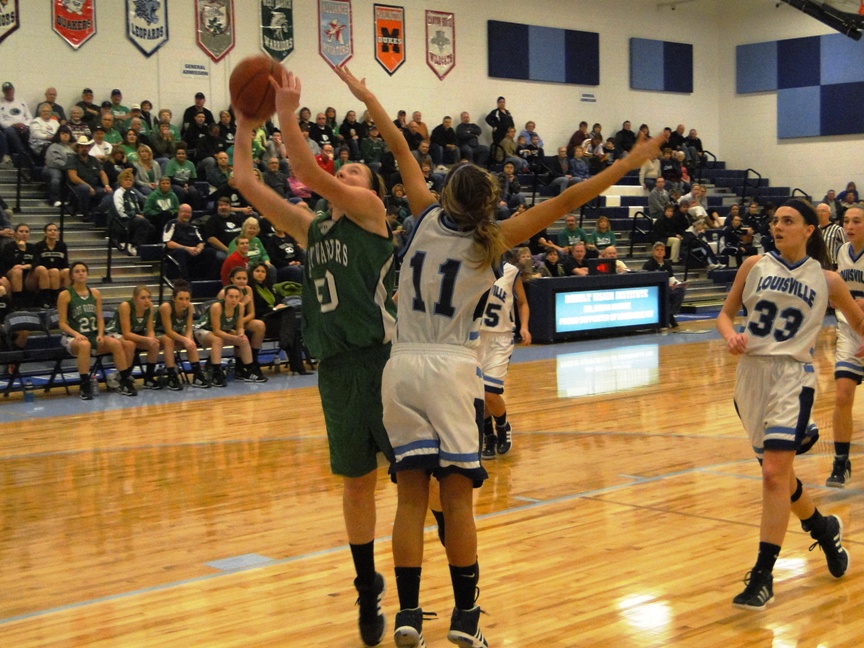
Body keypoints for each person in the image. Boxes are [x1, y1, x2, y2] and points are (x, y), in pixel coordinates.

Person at [331, 64, 664, 648]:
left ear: (445, 195)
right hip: (450, 367)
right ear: (488, 205)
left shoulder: (422, 215)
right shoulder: (494, 241)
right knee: (456, 500)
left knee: (410, 498)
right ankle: (465, 618)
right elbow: (571, 196)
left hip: (399, 366)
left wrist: (366, 94)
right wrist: (627, 163)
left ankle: (408, 615)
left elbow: (400, 146)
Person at [233, 71, 399, 648]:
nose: (345, 175)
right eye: (342, 171)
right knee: (357, 485)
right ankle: (366, 587)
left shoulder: (371, 213)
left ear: (368, 189)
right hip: (336, 371)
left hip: (385, 363)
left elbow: (306, 171)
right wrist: (245, 123)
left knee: (414, 480)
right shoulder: (311, 228)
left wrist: (287, 110)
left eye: (353, 172)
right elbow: (244, 181)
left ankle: (440, 582)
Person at [716, 199, 857, 610]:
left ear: (809, 230)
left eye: (788, 220)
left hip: (793, 377)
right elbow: (725, 315)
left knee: (773, 475)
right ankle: (823, 528)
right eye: (775, 220)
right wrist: (730, 335)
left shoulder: (827, 280)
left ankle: (763, 576)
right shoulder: (752, 266)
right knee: (780, 480)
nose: (777, 226)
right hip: (750, 378)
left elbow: (858, 320)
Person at [479, 249, 531, 459]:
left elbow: (522, 302)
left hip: (500, 338)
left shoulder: (510, 272)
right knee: (478, 394)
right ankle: (488, 436)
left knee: (489, 392)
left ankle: (502, 426)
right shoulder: (470, 268)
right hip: (474, 339)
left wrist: (524, 327)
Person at [57, 261, 137, 399]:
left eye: (83, 271)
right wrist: (76, 334)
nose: (81, 273)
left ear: (87, 274)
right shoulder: (65, 295)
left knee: (116, 343)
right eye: (77, 271)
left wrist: (100, 334)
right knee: (85, 345)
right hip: (72, 338)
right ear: (72, 276)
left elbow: (100, 318)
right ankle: (84, 384)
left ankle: (124, 380)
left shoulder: (95, 294)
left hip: (93, 334)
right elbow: (62, 323)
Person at [828, 205, 864, 487]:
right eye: (846, 221)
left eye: (857, 221)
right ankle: (841, 462)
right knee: (842, 396)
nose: (850, 226)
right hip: (851, 330)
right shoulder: (842, 252)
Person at [193, 285, 257, 387]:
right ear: (225, 297)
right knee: (217, 340)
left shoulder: (240, 307)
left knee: (244, 340)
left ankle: (250, 370)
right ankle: (216, 373)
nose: (234, 300)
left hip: (222, 331)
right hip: (202, 330)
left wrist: (240, 334)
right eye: (231, 297)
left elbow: (240, 326)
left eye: (236, 297)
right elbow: (217, 331)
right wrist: (233, 338)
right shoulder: (217, 307)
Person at [105, 286, 163, 390]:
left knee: (155, 345)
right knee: (130, 345)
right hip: (115, 332)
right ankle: (124, 377)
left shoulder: (150, 307)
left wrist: (151, 339)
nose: (147, 300)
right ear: (134, 298)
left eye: (149, 297)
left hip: (134, 334)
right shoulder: (126, 306)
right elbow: (126, 334)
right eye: (143, 298)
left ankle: (149, 378)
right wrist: (147, 339)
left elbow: (150, 330)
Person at [216, 266, 268, 382]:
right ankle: (240, 367)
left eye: (244, 278)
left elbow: (252, 313)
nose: (241, 281)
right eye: (238, 278)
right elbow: (224, 316)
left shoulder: (248, 289)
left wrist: (240, 322)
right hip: (225, 324)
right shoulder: (224, 293)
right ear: (232, 280)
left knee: (259, 325)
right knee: (242, 334)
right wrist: (242, 304)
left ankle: (253, 360)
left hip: (240, 321)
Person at [156, 279, 211, 389]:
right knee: (169, 341)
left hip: (176, 333)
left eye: (187, 299)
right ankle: (172, 376)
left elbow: (189, 328)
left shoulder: (189, 307)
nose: (184, 302)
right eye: (181, 299)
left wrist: (188, 339)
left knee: (191, 343)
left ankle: (197, 375)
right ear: (174, 299)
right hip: (159, 333)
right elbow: (168, 331)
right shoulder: (166, 307)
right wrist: (185, 339)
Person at [163, 204, 220, 281]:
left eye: (189, 213)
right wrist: (187, 248)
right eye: (184, 212)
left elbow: (201, 242)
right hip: (177, 252)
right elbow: (169, 244)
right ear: (179, 213)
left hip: (193, 252)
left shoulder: (193, 227)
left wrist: (198, 249)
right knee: (180, 252)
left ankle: (209, 280)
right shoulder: (171, 224)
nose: (187, 214)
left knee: (210, 251)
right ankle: (185, 280)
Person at [1, 223, 50, 309]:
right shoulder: (9, 247)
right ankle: (17, 302)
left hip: (28, 276)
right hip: (12, 275)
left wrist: (27, 266)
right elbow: (8, 263)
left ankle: (44, 300)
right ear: (15, 233)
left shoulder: (32, 247)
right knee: (18, 270)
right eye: (21, 231)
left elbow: (37, 261)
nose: (24, 234)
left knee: (41, 269)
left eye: (26, 232)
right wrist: (22, 251)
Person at [110, 169, 156, 255]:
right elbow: (120, 211)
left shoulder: (132, 193)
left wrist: (140, 215)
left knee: (151, 227)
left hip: (133, 219)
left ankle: (142, 249)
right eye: (126, 180)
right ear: (121, 182)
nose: (128, 182)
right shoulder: (118, 193)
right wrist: (134, 215)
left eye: (130, 180)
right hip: (122, 220)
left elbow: (137, 208)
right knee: (143, 222)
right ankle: (133, 244)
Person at [642, 241, 686, 327]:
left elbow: (671, 278)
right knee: (666, 293)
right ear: (653, 252)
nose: (660, 251)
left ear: (665, 252)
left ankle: (670, 313)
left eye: (662, 250)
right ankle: (669, 316)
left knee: (680, 290)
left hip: (666, 288)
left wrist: (679, 284)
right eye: (657, 249)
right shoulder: (648, 264)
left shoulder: (667, 264)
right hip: (654, 290)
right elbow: (647, 280)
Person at [33, 222, 70, 306]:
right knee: (54, 271)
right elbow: (37, 263)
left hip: (57, 272)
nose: (53, 232)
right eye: (50, 230)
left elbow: (65, 264)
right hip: (44, 273)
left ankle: (66, 297)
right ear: (45, 233)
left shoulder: (62, 245)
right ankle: (49, 299)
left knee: (67, 271)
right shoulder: (39, 245)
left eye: (55, 230)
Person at [42, 126, 75, 207]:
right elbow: (54, 161)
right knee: (56, 179)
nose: (65, 135)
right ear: (58, 135)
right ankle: (55, 200)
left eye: (67, 133)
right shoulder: (53, 146)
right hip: (52, 168)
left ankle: (69, 199)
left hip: (67, 169)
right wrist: (68, 166)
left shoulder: (72, 147)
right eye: (63, 133)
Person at [817, 202, 848, 270]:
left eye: (823, 211)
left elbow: (846, 248)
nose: (820, 213)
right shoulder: (815, 230)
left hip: (833, 265)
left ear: (829, 214)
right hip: (818, 264)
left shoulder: (838, 229)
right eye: (818, 211)